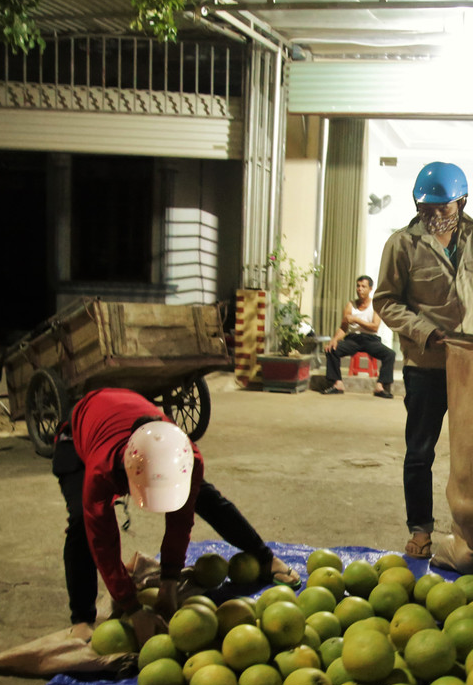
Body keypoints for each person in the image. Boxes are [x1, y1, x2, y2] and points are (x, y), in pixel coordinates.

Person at [54, 387, 297, 641]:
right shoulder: (102, 470)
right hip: (76, 438)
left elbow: (181, 521)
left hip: (124, 413)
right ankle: (81, 618)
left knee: (206, 497)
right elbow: (102, 540)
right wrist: (132, 607)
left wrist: (169, 580)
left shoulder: (186, 457)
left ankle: (265, 557)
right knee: (82, 522)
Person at [373, 161, 473, 558]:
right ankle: (420, 529)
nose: (433, 216)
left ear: (462, 202)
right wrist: (425, 332)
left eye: (442, 208)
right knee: (420, 451)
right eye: (425, 208)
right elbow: (386, 302)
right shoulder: (401, 244)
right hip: (426, 366)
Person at [321, 274, 397, 398]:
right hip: (353, 339)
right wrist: (334, 340)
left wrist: (356, 319)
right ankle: (337, 384)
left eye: (363, 286)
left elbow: (374, 326)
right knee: (331, 349)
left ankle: (380, 386)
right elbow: (343, 328)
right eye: (358, 286)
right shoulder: (350, 305)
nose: (360, 289)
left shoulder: (375, 305)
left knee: (390, 354)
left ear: (370, 289)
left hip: (371, 339)